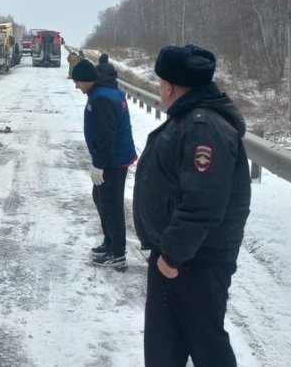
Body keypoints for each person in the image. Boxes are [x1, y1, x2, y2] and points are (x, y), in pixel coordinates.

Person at [133, 44, 251, 367]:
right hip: (179, 256)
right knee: (164, 347)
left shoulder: (203, 128)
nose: (160, 89)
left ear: (169, 87)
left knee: (206, 345)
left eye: (160, 83)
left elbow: (203, 202)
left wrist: (172, 256)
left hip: (195, 261)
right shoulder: (189, 119)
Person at [72, 59, 138, 269]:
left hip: (113, 161)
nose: (76, 86)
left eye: (77, 82)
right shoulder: (106, 92)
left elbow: (106, 135)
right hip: (114, 158)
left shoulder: (101, 99)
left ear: (86, 79)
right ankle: (109, 242)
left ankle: (117, 254)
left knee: (111, 206)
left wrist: (99, 164)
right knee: (101, 199)